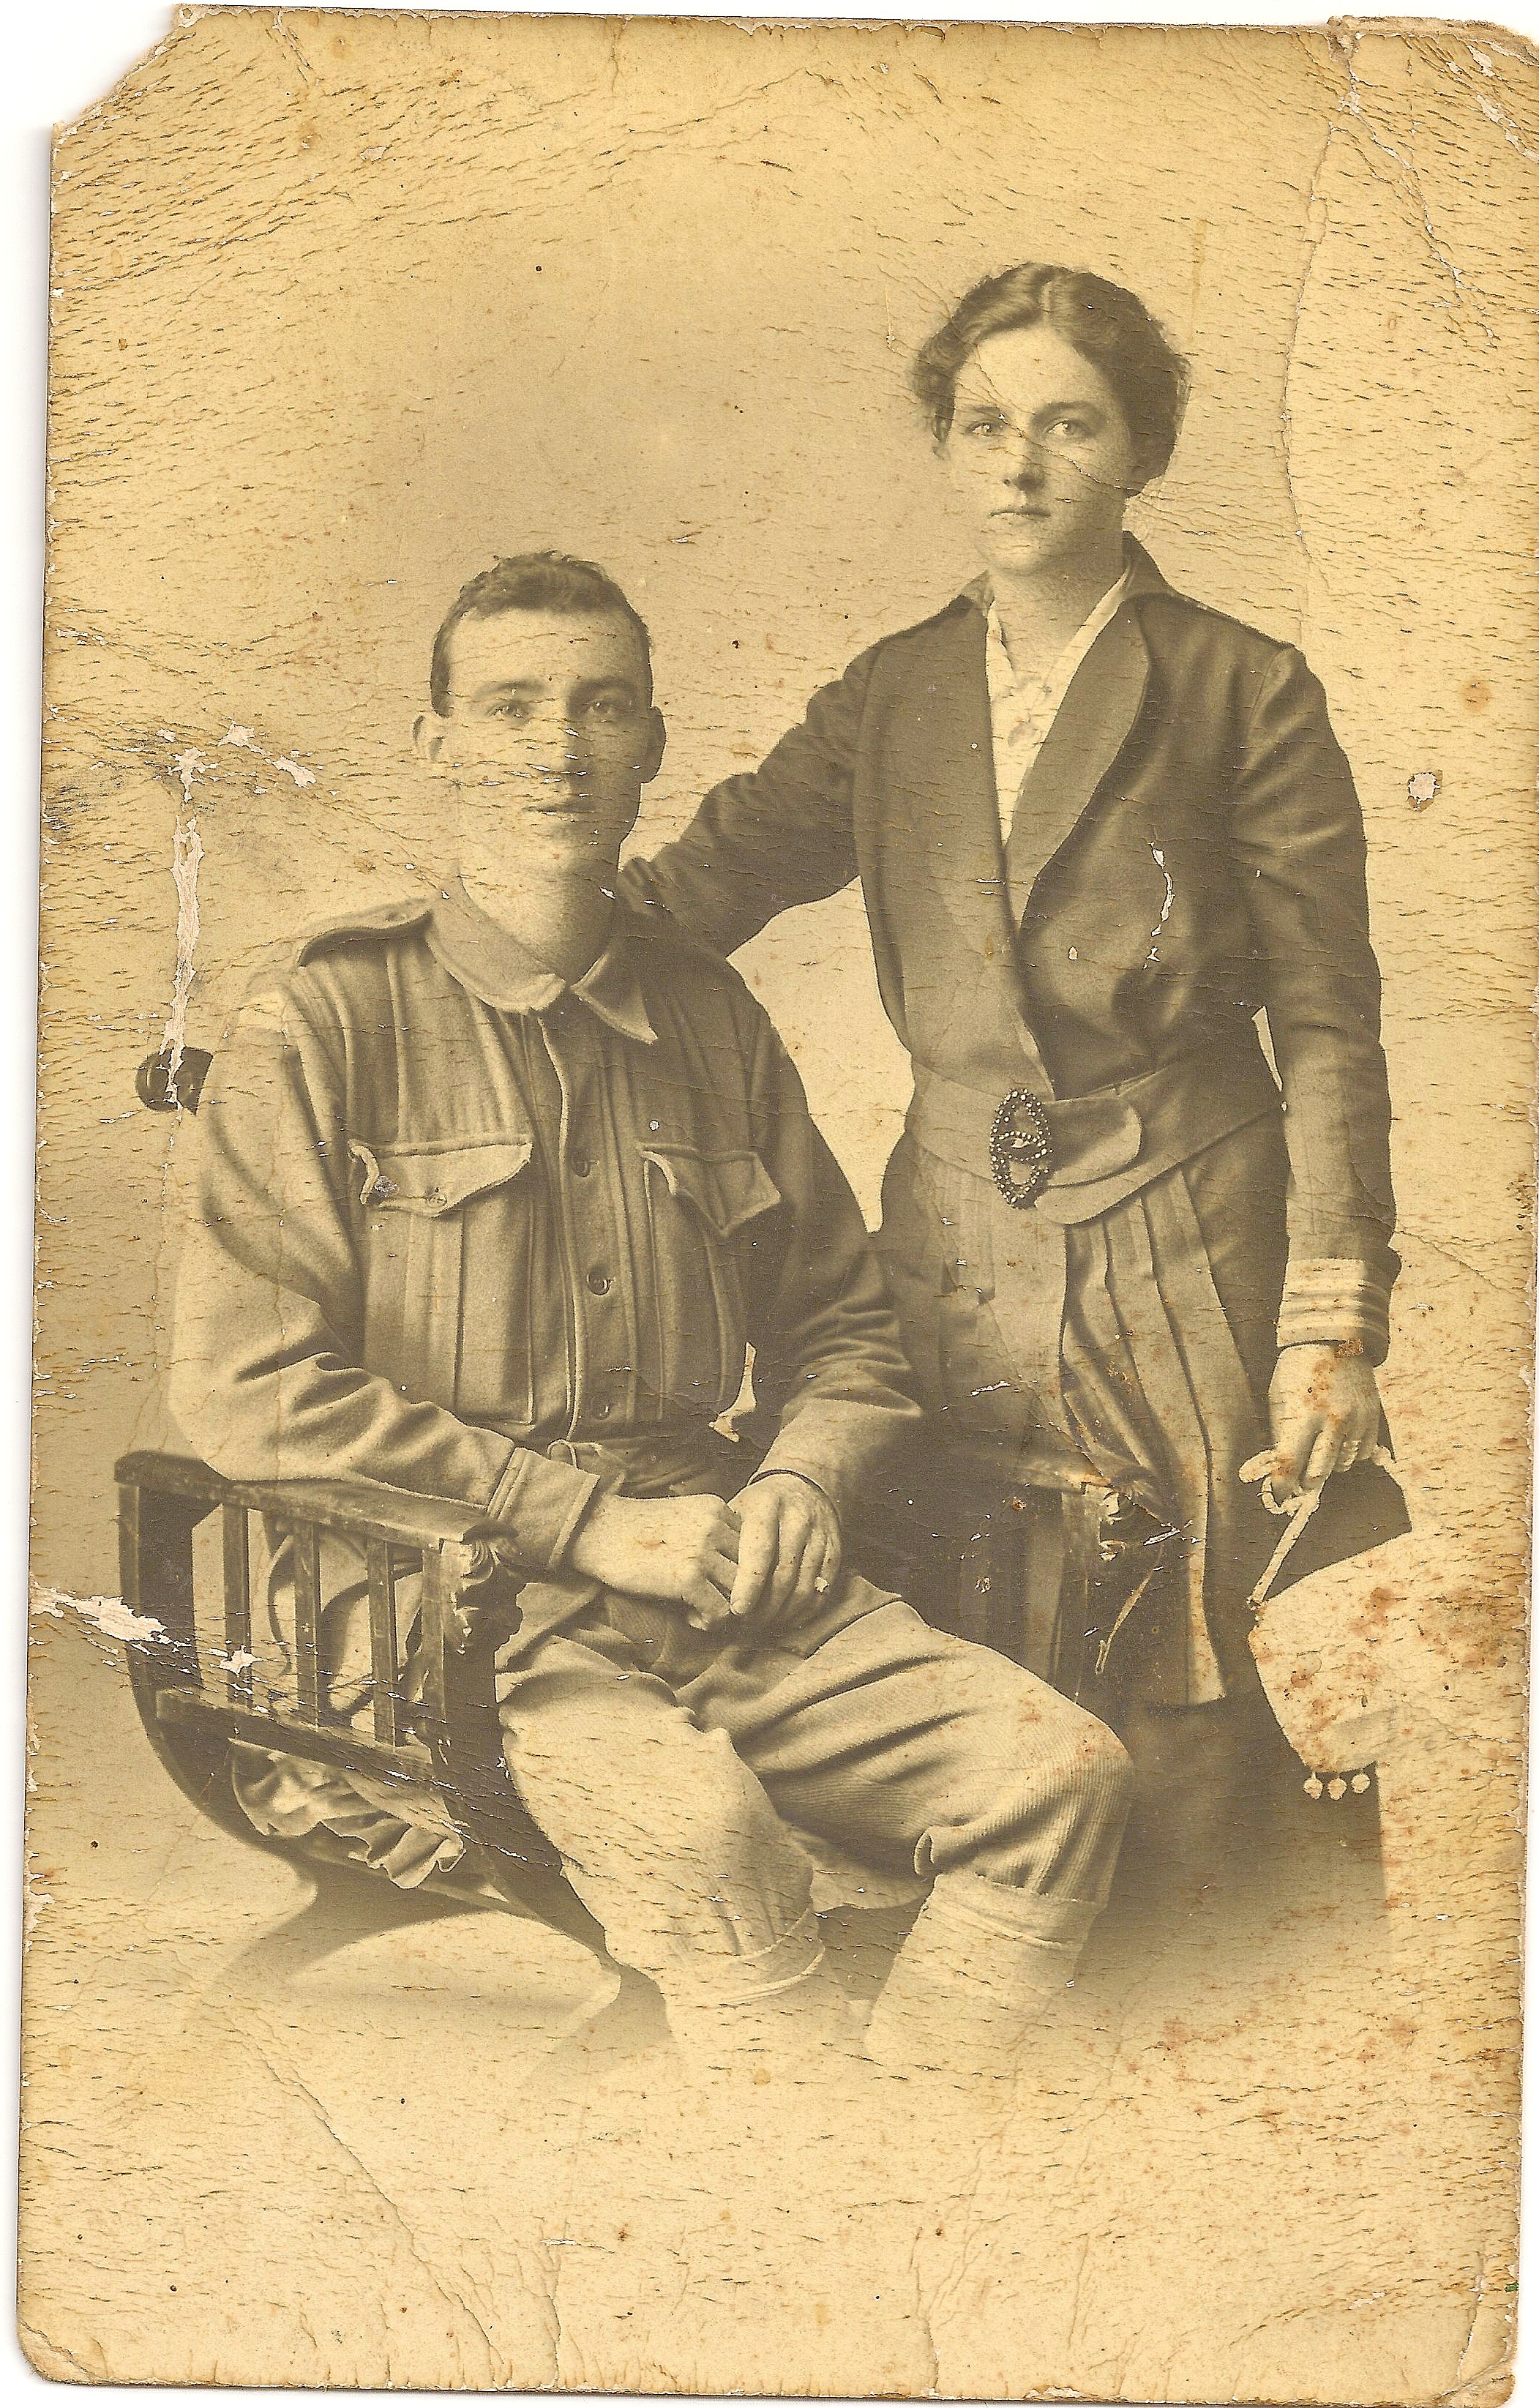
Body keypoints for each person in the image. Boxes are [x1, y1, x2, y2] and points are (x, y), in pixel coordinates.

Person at [170, 548, 1134, 2076]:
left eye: (601, 707)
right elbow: (251, 1386)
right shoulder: (324, 1020)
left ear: (654, 746)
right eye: (511, 708)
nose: (557, 751)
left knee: (1056, 1777)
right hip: (438, 1611)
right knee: (702, 1835)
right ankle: (791, 2151)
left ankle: (913, 2134)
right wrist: (585, 1524)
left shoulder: (709, 1017)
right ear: (438, 745)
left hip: (718, 1581)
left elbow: (845, 1327)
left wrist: (806, 1477)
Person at [619, 264, 1401, 1884]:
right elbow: (695, 892)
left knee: (1196, 1647)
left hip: (1187, 1245)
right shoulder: (894, 691)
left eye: (1070, 426)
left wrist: (1327, 1325)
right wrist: (428, 966)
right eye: (984, 426)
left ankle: (1209, 1998)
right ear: (945, 446)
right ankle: (1005, 1970)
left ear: (1141, 453)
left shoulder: (1243, 687)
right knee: (956, 1606)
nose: (1021, 466)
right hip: (952, 1244)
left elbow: (1328, 1022)